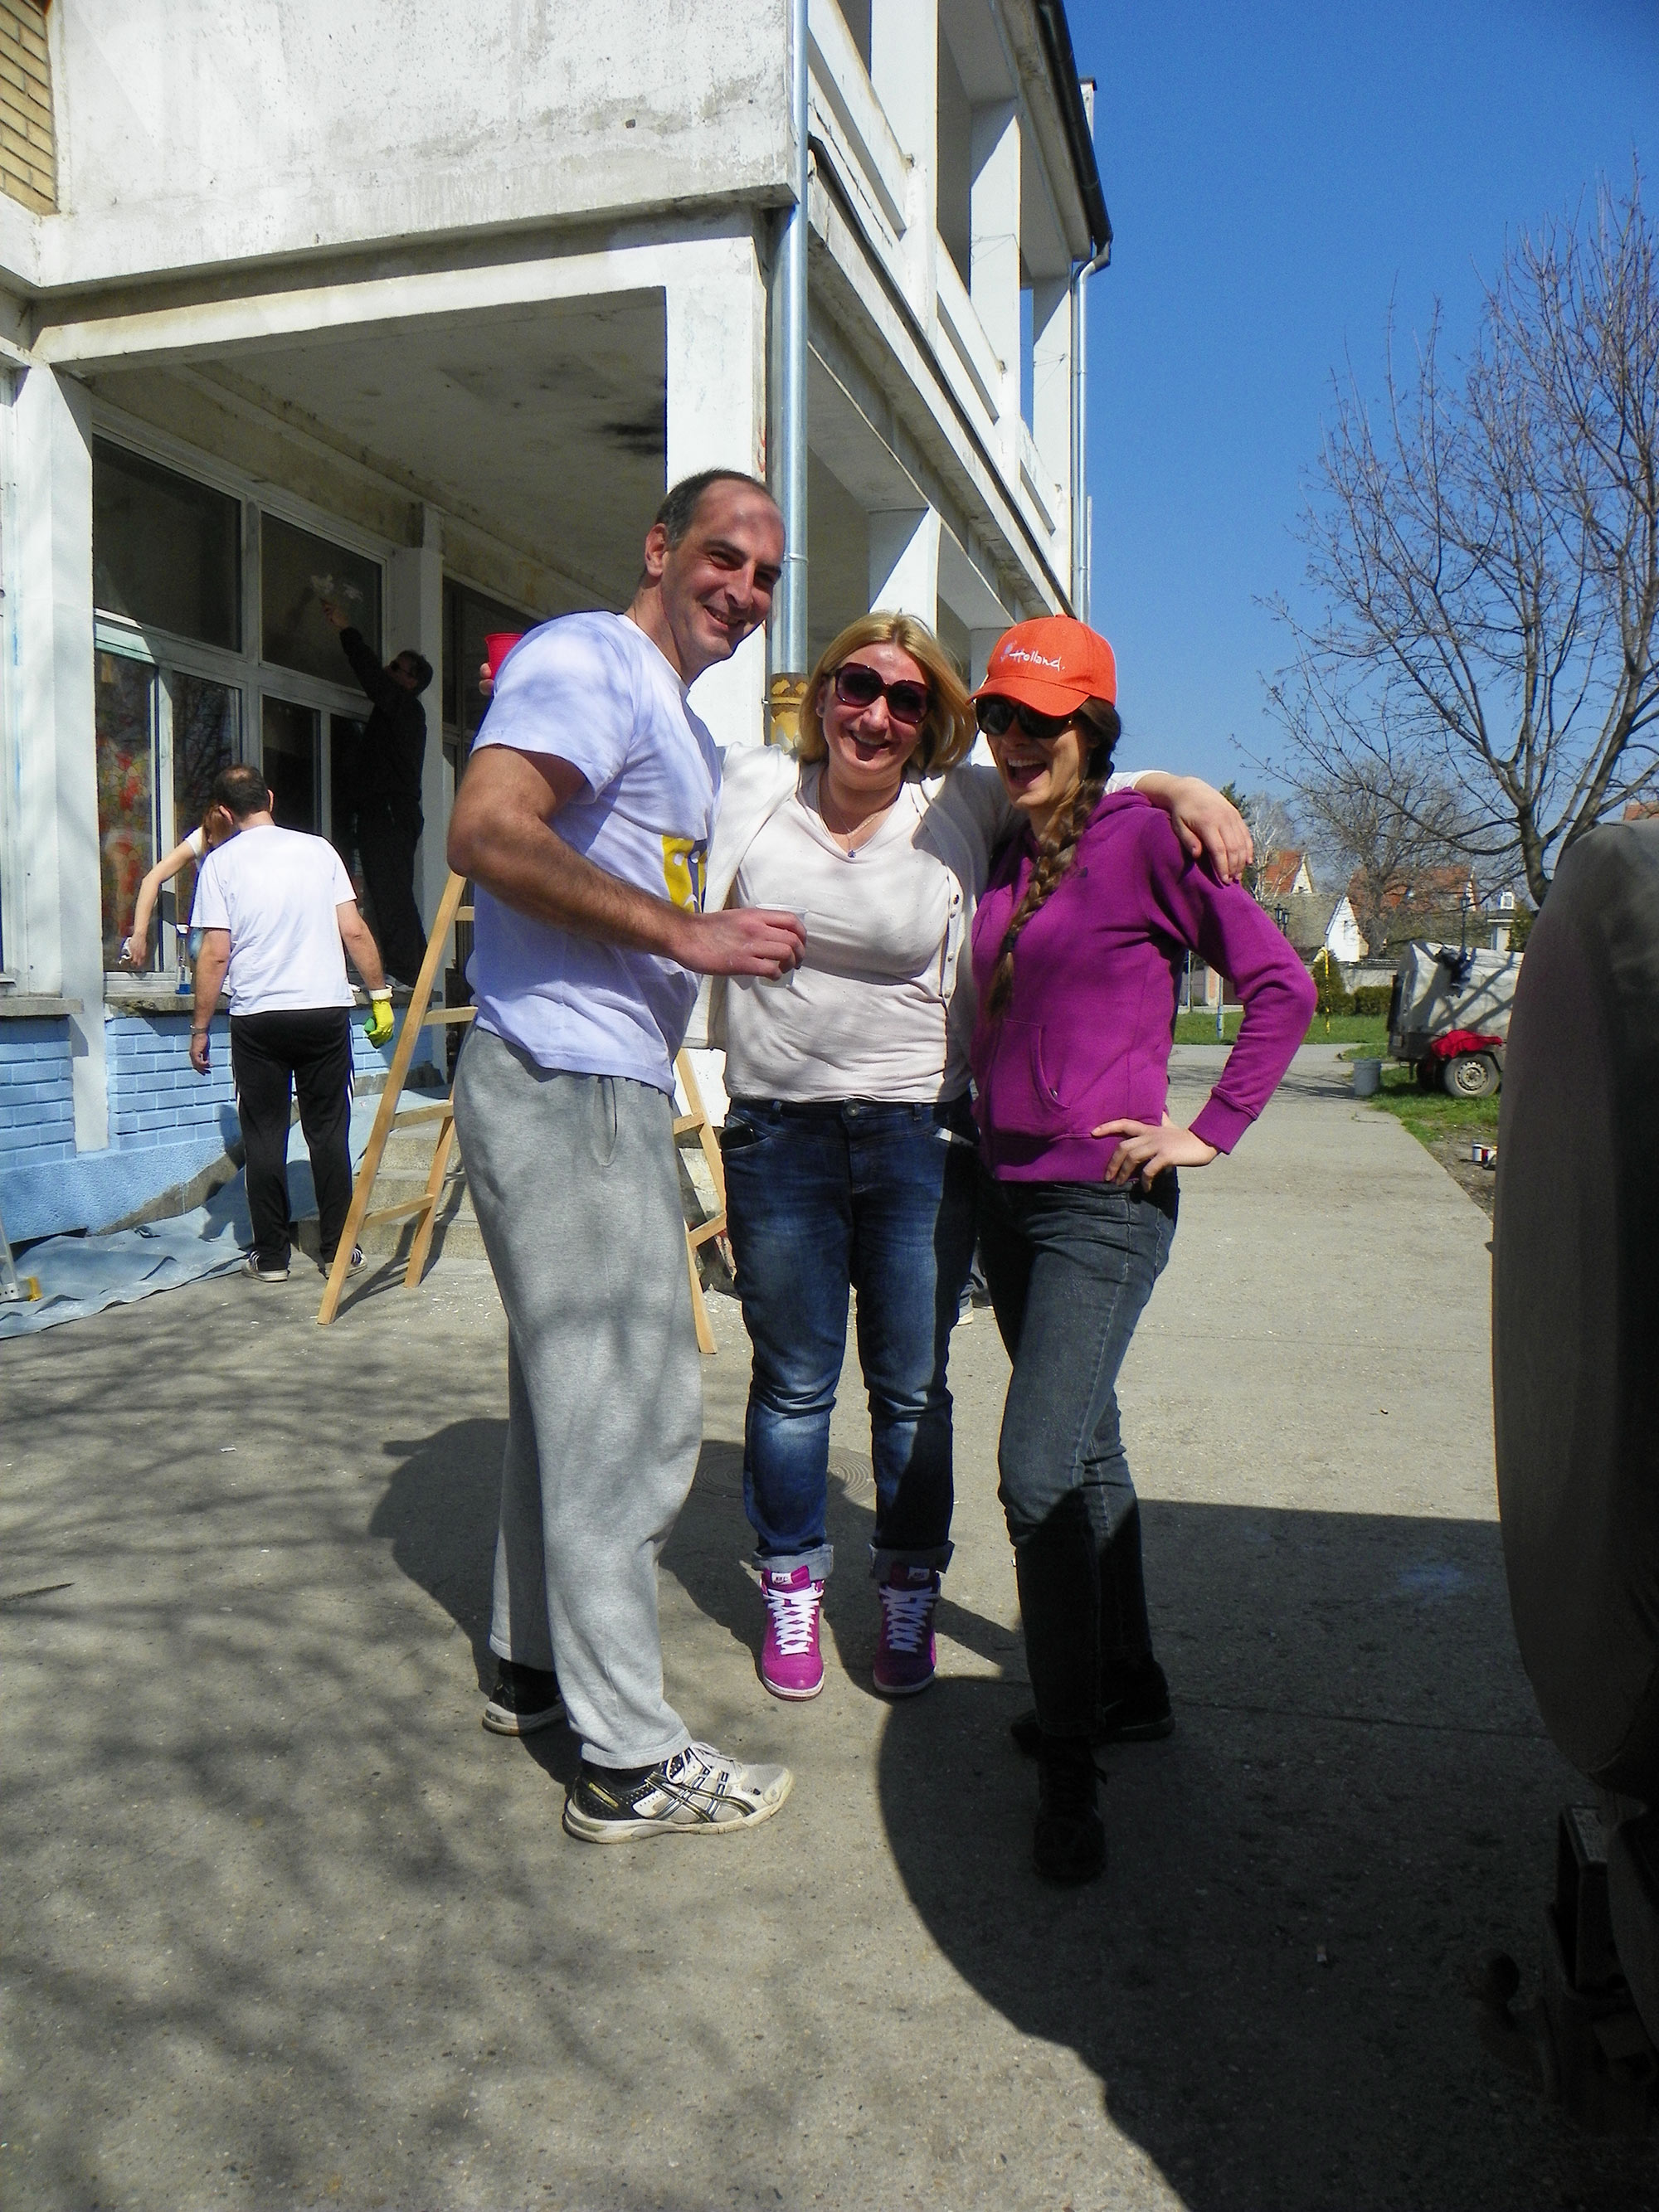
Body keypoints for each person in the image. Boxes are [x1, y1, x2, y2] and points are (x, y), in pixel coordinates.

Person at [700, 613, 1253, 1705]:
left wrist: (1183, 786)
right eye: (858, 686)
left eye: (907, 699)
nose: (876, 714)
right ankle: (792, 1582)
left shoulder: (955, 802)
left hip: (917, 1135)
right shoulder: (751, 786)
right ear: (823, 691)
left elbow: (1086, 775)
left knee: (911, 1388)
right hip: (778, 1132)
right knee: (794, 1383)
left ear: (931, 721)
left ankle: (907, 1586)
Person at [445, 468, 807, 1845]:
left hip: (584, 1079)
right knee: (632, 1420)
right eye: (724, 555)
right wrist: (681, 933)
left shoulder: (678, 720)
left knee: (568, 1402)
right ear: (659, 548)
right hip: (568, 1078)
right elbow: (488, 829)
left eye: (766, 575)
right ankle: (627, 1759)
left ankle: (530, 1665)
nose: (745, 589)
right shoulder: (590, 658)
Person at [967, 615, 1316, 1884]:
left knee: (1035, 1473)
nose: (1015, 740)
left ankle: (1070, 1769)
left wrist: (1209, 1129)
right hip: (1006, 1200)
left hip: (1101, 1205)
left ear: (1092, 731)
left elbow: (1282, 986)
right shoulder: (1007, 841)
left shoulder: (1149, 842)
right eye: (998, 716)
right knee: (1089, 1443)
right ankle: (1128, 1685)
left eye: (1041, 721)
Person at [189, 763, 394, 1283]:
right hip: (323, 1012)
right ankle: (339, 1251)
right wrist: (380, 996)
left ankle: (272, 1257)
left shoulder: (220, 863)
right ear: (271, 799)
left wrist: (199, 1027)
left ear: (223, 813)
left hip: (258, 1019)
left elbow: (215, 954)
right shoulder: (320, 851)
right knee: (329, 1133)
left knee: (264, 1136)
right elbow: (354, 930)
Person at [323, 603, 433, 986]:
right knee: (389, 891)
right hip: (387, 812)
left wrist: (347, 630)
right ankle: (412, 971)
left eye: (396, 668)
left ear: (410, 682)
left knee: (390, 892)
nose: (387, 669)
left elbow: (371, 676)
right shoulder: (395, 714)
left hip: (389, 813)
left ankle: (406, 972)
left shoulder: (405, 709)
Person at [121, 802, 234, 970]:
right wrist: (139, 934)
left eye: (215, 833)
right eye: (207, 832)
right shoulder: (202, 838)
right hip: (208, 929)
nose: (209, 839)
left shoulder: (245, 845)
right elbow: (152, 878)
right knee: (200, 948)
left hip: (238, 926)